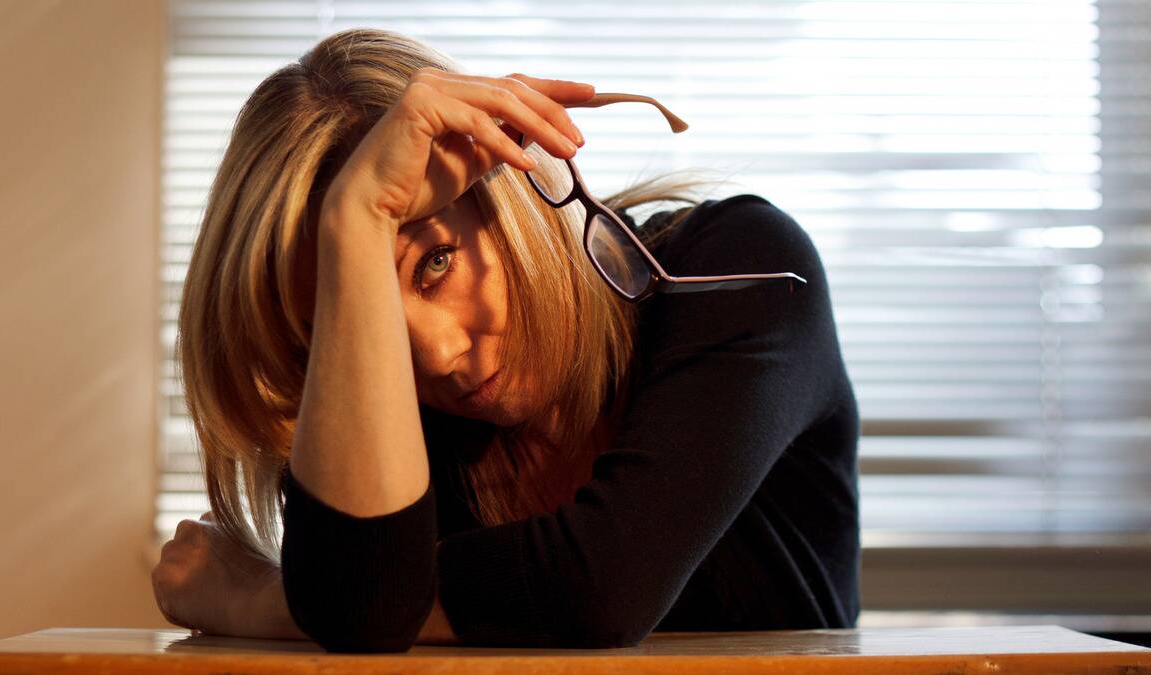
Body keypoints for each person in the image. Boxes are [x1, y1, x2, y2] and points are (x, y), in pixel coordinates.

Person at [150, 27, 860, 653]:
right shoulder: (358, 391)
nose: (433, 354)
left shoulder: (738, 266)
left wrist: (256, 599)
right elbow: (363, 605)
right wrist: (355, 227)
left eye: (434, 262)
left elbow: (601, 586)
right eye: (360, 305)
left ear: (504, 183)